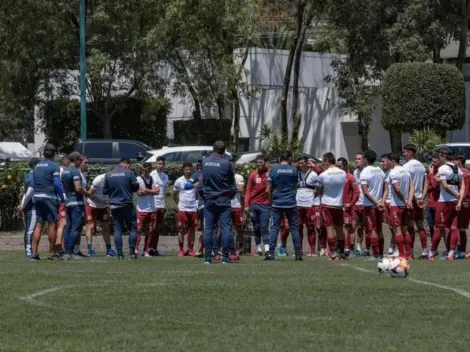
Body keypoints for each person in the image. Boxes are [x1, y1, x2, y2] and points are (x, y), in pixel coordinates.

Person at [202, 141, 236, 264]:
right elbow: (232, 184)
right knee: (226, 228)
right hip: (223, 199)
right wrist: (230, 195)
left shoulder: (205, 162)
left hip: (209, 199)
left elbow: (202, 184)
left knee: (208, 228)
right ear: (223, 150)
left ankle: (207, 257)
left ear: (213, 149)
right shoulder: (227, 163)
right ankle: (225, 257)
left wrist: (205, 196)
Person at [265, 151, 303, 261]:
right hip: (291, 202)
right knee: (294, 228)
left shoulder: (274, 170)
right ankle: (298, 254)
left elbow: (268, 190)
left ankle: (271, 253)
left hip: (277, 203)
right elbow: (297, 185)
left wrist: (271, 201)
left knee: (275, 228)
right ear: (289, 158)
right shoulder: (294, 170)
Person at [429, 148, 465, 261]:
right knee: (453, 228)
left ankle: (432, 253)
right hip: (455, 203)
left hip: (444, 202)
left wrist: (456, 195)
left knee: (438, 228)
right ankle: (451, 254)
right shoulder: (458, 169)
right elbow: (462, 186)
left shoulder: (442, 168)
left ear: (443, 156)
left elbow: (445, 186)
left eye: (440, 156)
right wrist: (459, 200)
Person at [31, 144, 65, 260]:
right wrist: (62, 198)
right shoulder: (54, 166)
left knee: (39, 224)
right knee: (52, 224)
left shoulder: (36, 167)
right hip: (49, 197)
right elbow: (57, 184)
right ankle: (51, 253)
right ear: (54, 154)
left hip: (37, 196)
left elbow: (34, 184)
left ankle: (34, 253)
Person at [279, 156, 319, 257]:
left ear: (307, 163)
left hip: (309, 205)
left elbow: (318, 188)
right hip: (298, 204)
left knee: (310, 227)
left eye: (302, 163)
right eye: (299, 163)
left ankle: (312, 251)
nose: (300, 165)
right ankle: (299, 250)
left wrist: (312, 197)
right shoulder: (296, 174)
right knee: (298, 227)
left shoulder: (313, 175)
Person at [60, 152, 96, 259]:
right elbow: (78, 188)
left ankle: (66, 251)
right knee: (75, 229)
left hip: (68, 202)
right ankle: (70, 253)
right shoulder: (75, 171)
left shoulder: (64, 171)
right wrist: (88, 194)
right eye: (80, 160)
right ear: (75, 160)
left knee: (68, 228)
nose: (80, 162)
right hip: (77, 203)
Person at [103, 158, 140, 260]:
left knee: (117, 230)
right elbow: (136, 187)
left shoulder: (109, 174)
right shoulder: (129, 173)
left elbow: (105, 191)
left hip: (114, 205)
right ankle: (132, 254)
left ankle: (119, 254)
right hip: (127, 204)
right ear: (127, 164)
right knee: (132, 228)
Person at [382, 153, 414, 259]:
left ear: (392, 161)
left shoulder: (393, 173)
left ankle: (401, 254)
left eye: (387, 160)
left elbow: (397, 188)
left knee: (398, 230)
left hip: (397, 205)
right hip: (405, 206)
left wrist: (404, 200)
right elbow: (412, 188)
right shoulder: (406, 171)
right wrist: (409, 201)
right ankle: (408, 254)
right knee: (405, 231)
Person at [318, 152, 347, 260]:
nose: (322, 164)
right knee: (340, 230)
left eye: (323, 161)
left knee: (329, 229)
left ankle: (333, 253)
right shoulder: (343, 173)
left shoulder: (323, 175)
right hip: (338, 205)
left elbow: (318, 189)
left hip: (326, 204)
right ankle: (342, 253)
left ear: (326, 161)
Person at [402, 144, 428, 259]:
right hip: (419, 198)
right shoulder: (421, 165)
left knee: (410, 226)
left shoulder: (407, 166)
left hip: (411, 198)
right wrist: (422, 196)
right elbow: (426, 181)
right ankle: (425, 252)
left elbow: (406, 184)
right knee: (420, 225)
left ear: (410, 152)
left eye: (405, 152)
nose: (403, 154)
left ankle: (410, 252)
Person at [360, 149, 385, 260]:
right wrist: (381, 202)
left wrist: (375, 202)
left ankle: (375, 255)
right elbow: (385, 188)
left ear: (365, 159)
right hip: (379, 204)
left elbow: (365, 192)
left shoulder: (364, 172)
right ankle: (381, 254)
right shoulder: (380, 170)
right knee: (379, 229)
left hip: (370, 205)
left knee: (372, 230)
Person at [244, 154, 270, 255]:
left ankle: (267, 249)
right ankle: (258, 248)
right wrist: (246, 205)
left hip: (265, 205)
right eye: (258, 162)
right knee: (256, 227)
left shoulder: (270, 173)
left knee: (264, 226)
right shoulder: (253, 174)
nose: (259, 164)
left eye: (261, 162)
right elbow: (248, 190)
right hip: (253, 205)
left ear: (265, 163)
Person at [86, 172, 116, 257]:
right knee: (90, 226)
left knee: (106, 227)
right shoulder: (98, 179)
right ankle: (89, 250)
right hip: (92, 205)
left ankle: (109, 250)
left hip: (103, 207)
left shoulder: (113, 180)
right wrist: (100, 201)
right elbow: (89, 194)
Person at [17, 157, 41, 258]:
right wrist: (23, 204)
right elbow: (29, 193)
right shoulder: (33, 177)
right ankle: (28, 251)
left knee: (29, 229)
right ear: (34, 166)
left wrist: (22, 204)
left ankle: (30, 250)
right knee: (30, 230)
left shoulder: (28, 176)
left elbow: (26, 193)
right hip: (32, 207)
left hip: (29, 207)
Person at [173, 161, 198, 256]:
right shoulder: (179, 180)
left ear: (192, 169)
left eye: (190, 169)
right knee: (181, 230)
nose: (188, 171)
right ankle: (181, 250)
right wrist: (178, 204)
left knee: (192, 230)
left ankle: (190, 249)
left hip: (193, 208)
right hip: (182, 208)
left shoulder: (195, 180)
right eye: (186, 169)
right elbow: (174, 194)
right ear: (183, 170)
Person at [135, 162, 160, 257]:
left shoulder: (154, 179)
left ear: (150, 170)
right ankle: (136, 249)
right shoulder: (138, 179)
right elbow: (139, 193)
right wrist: (151, 191)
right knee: (139, 229)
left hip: (152, 209)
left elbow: (157, 192)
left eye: (148, 170)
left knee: (150, 230)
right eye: (144, 170)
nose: (145, 171)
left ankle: (145, 251)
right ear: (142, 169)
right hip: (141, 209)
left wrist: (145, 190)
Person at [336, 157, 359, 256]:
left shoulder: (350, 177)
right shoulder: (335, 177)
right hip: (337, 206)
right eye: (337, 166)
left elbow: (356, 191)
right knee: (338, 228)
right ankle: (341, 247)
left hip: (346, 208)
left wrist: (350, 203)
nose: (338, 168)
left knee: (348, 228)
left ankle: (348, 248)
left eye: (340, 166)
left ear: (345, 166)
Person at [150, 156, 168, 255]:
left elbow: (163, 192)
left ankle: (154, 248)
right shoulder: (151, 175)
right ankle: (149, 248)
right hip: (153, 205)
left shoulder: (165, 176)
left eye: (162, 164)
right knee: (152, 227)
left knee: (157, 228)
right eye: (159, 163)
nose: (161, 166)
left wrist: (163, 205)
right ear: (155, 164)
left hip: (161, 205)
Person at [453, 154, 469, 258]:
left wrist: (460, 201)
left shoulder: (462, 173)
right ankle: (461, 250)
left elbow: (463, 189)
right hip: (465, 202)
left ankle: (461, 251)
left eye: (455, 160)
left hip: (465, 202)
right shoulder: (466, 173)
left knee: (460, 228)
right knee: (460, 228)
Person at [422, 153, 441, 244]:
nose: (433, 163)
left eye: (435, 161)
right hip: (430, 203)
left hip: (438, 203)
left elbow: (434, 185)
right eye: (432, 161)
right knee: (430, 225)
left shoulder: (440, 172)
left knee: (439, 226)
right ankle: (434, 246)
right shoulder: (430, 172)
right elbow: (428, 187)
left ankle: (445, 247)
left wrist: (431, 174)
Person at [380, 154, 396, 256]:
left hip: (395, 202)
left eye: (383, 161)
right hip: (387, 202)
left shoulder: (395, 172)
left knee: (396, 225)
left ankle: (395, 245)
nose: (382, 164)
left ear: (390, 161)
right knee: (391, 225)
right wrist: (383, 202)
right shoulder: (386, 173)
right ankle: (393, 244)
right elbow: (386, 189)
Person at [353, 153, 368, 256]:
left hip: (366, 203)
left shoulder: (368, 172)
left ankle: (367, 248)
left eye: (359, 159)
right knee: (356, 226)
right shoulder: (354, 172)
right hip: (356, 203)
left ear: (364, 160)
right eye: (356, 159)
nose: (356, 161)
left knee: (366, 227)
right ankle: (358, 247)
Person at [56, 155, 70, 255]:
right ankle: (58, 245)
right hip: (63, 199)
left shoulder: (64, 170)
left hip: (66, 199)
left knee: (65, 224)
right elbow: (59, 185)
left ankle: (63, 246)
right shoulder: (61, 171)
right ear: (65, 162)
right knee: (63, 222)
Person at [231, 163, 245, 255]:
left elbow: (240, 189)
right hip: (225, 205)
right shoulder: (222, 176)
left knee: (239, 228)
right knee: (224, 228)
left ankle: (240, 248)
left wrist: (229, 188)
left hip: (236, 206)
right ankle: (223, 248)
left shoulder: (238, 177)